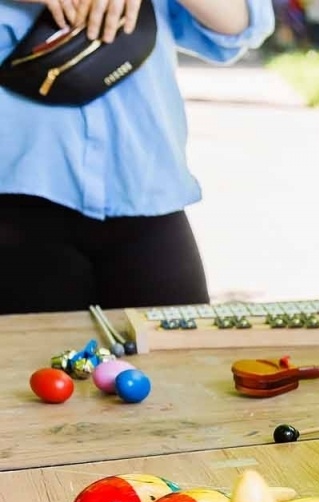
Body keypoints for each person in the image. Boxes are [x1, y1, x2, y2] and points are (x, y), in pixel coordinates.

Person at [0, 0, 274, 314]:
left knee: (178, 358)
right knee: (24, 360)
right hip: (17, 194)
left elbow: (239, 21)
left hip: (144, 193)